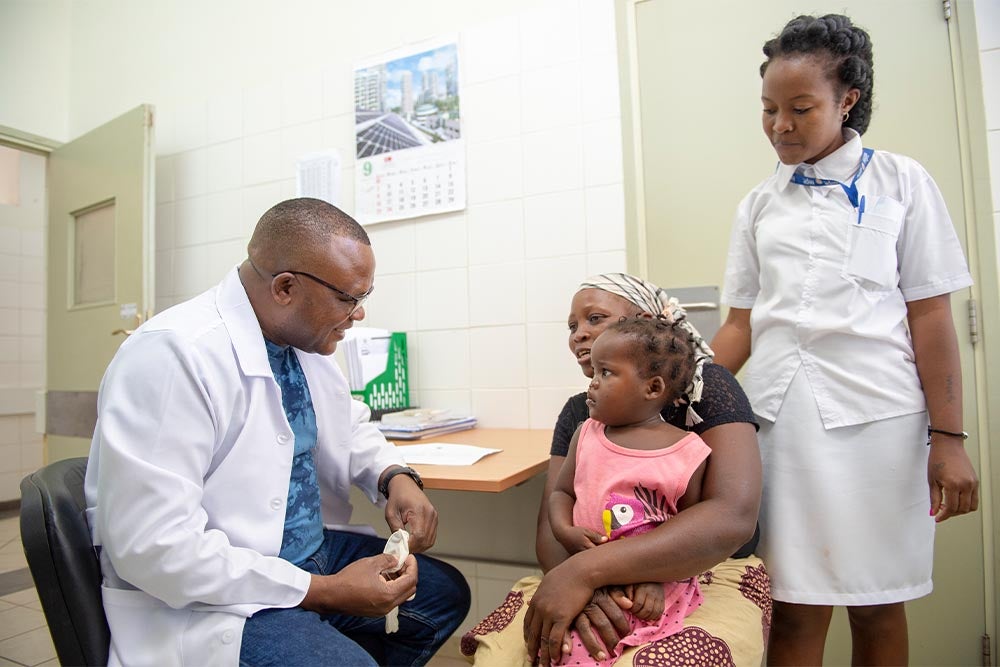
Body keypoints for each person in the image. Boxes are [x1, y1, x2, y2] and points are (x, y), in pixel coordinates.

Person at [84, 197, 470, 667]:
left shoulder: (304, 340)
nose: (359, 314)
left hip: (310, 552)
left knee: (442, 595)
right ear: (285, 287)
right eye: (349, 298)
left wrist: (394, 476)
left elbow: (346, 422)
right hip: (220, 595)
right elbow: (154, 547)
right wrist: (325, 593)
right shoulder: (174, 356)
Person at [711, 15, 980, 665]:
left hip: (881, 425)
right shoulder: (759, 204)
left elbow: (932, 316)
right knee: (794, 603)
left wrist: (949, 438)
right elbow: (740, 325)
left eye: (800, 108)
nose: (780, 125)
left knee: (878, 602)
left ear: (847, 100)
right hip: (783, 423)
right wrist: (679, 403)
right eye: (769, 109)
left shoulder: (902, 183)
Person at [463, 273, 768, 667]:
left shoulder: (707, 388)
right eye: (572, 326)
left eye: (595, 319)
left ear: (646, 322)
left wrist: (589, 573)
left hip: (702, 570)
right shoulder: (580, 415)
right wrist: (585, 587)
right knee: (507, 656)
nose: (578, 335)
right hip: (584, 570)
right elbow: (552, 530)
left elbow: (731, 516)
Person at [549, 316, 712, 665]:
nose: (592, 383)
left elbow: (689, 529)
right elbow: (561, 493)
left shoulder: (688, 452)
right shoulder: (586, 434)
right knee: (561, 647)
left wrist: (657, 575)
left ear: (652, 388)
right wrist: (566, 532)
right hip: (588, 572)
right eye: (593, 372)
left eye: (605, 373)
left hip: (654, 581)